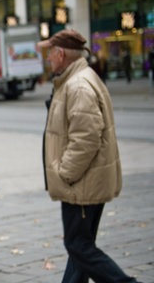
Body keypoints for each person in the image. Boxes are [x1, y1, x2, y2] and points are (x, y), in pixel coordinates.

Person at [40, 29, 141, 283]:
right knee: (81, 247)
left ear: (60, 54)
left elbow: (86, 138)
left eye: (50, 53)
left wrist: (66, 173)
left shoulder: (78, 85)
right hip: (86, 180)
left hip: (81, 182)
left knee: (78, 246)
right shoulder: (75, 79)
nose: (48, 59)